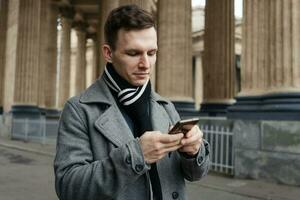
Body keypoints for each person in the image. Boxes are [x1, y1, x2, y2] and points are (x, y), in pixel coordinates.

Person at [54, 4, 210, 200]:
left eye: (151, 53)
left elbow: (195, 174)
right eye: (133, 53)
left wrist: (194, 152)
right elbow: (68, 187)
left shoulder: (166, 107)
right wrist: (136, 155)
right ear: (108, 53)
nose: (145, 64)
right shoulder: (79, 110)